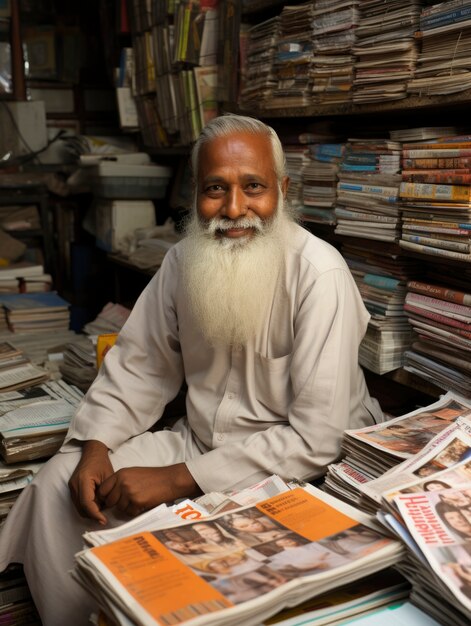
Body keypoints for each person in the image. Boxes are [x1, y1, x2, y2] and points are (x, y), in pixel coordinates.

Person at [0, 113, 383, 625]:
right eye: (214, 189)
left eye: (253, 187)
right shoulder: (184, 261)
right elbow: (140, 366)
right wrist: (96, 447)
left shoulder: (319, 274)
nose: (234, 209)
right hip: (200, 442)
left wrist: (179, 479)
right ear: (194, 195)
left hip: (298, 471)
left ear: (282, 191)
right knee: (59, 485)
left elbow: (318, 437)